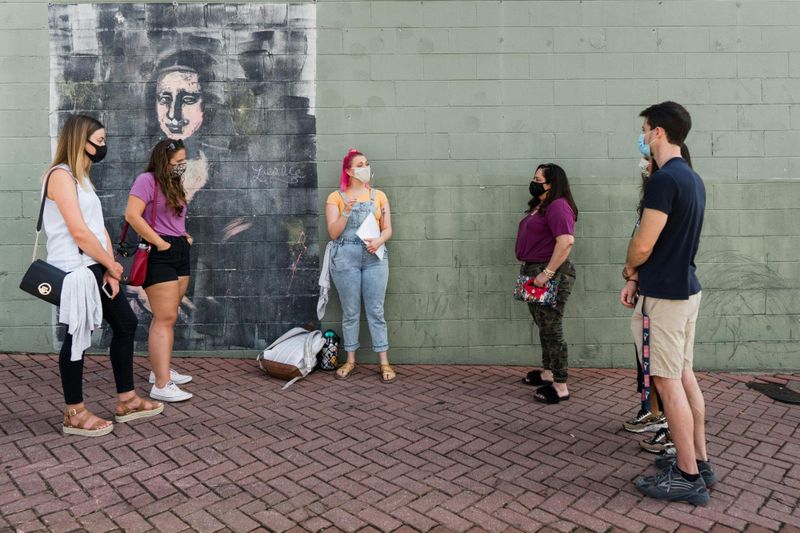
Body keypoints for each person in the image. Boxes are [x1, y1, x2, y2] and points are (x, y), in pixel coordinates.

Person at [43, 114, 163, 436]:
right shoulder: (60, 176)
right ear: (79, 140)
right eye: (99, 140)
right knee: (76, 338)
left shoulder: (82, 178)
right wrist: (109, 265)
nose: (103, 146)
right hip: (76, 269)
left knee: (125, 323)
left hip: (95, 266)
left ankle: (126, 399)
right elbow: (80, 233)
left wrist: (110, 266)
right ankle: (74, 412)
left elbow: (98, 229)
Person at [620, 101, 715, 505]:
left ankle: (687, 477)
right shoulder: (691, 178)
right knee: (684, 375)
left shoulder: (664, 181)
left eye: (645, 129)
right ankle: (700, 462)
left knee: (666, 381)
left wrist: (629, 269)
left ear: (658, 131)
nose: (642, 136)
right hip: (685, 289)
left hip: (666, 297)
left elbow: (644, 243)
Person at [125, 139, 194, 402]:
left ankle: (159, 370)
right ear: (164, 160)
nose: (181, 167)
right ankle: (161, 385)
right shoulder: (147, 180)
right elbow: (132, 215)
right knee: (164, 317)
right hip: (159, 252)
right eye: (177, 162)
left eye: (183, 162)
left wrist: (182, 236)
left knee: (168, 316)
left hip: (178, 250)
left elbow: (173, 217)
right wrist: (161, 243)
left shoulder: (173, 183)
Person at [325, 149, 395, 383]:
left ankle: (384, 362)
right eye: (360, 164)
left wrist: (379, 241)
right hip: (345, 257)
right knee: (351, 311)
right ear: (349, 171)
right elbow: (333, 233)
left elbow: (388, 228)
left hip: (375, 256)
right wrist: (345, 212)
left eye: (366, 163)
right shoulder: (336, 197)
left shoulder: (379, 196)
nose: (365, 167)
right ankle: (351, 360)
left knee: (376, 310)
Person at [516, 163, 578, 404]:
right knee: (543, 325)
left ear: (551, 183)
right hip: (533, 270)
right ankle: (548, 372)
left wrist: (547, 273)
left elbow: (566, 242)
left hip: (549, 272)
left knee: (552, 328)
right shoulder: (541, 206)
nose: (534, 182)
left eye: (538, 178)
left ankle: (560, 385)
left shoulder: (558, 206)